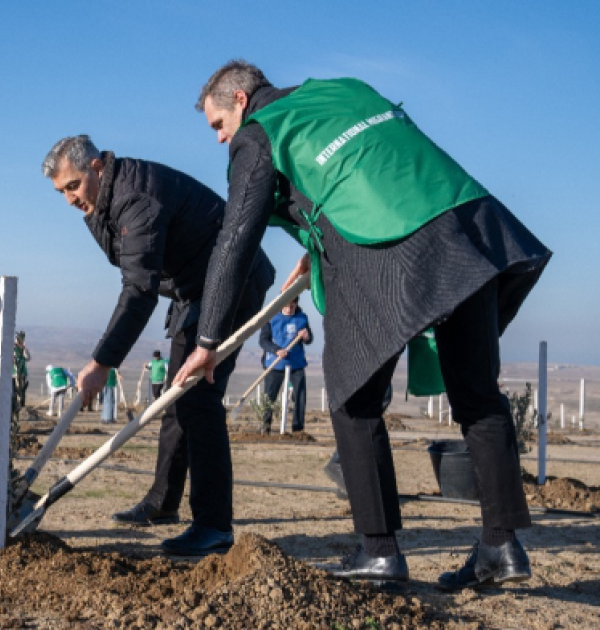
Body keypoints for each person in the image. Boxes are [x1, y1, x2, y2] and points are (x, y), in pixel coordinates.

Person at [179, 60, 550, 587]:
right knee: (477, 394)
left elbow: (236, 237)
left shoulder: (261, 132)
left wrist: (208, 339)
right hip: (466, 222)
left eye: (218, 125)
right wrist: (316, 240)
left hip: (395, 247)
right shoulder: (344, 91)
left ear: (240, 100)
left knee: (352, 398)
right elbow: (368, 169)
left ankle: (378, 550)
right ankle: (501, 545)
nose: (220, 140)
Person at [42, 135, 274, 555]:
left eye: (73, 186)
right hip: (195, 288)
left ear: (96, 167)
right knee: (175, 395)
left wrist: (102, 362)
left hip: (233, 283)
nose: (69, 200)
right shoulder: (103, 202)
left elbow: (138, 290)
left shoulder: (137, 198)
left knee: (198, 398)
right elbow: (132, 266)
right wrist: (91, 209)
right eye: (61, 192)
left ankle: (214, 526)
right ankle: (163, 501)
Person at [258, 298, 312, 434]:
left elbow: (309, 339)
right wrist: (276, 350)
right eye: (287, 306)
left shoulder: (302, 318)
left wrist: (306, 336)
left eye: (292, 307)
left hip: (296, 365)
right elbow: (263, 340)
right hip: (274, 365)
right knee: (270, 397)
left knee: (299, 396)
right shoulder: (270, 317)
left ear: (296, 305)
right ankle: (265, 428)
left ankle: (298, 430)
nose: (289, 309)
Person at [13, 333, 31, 408]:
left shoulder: (23, 349)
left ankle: (22, 403)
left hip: (22, 372)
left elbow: (28, 358)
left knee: (22, 388)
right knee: (15, 388)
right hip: (14, 372)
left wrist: (24, 350)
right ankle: (15, 403)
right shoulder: (13, 349)